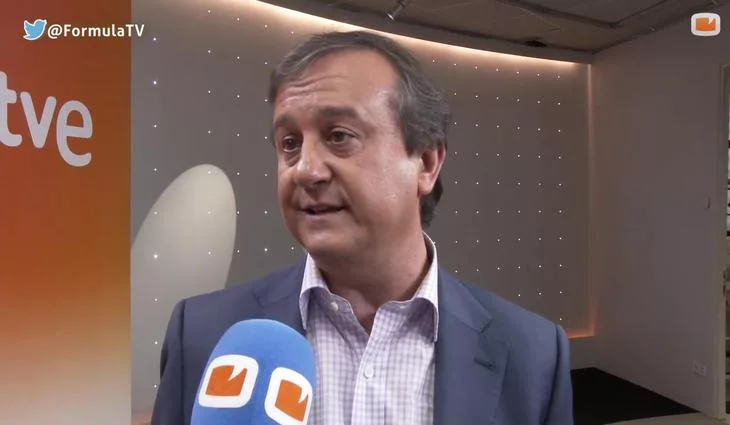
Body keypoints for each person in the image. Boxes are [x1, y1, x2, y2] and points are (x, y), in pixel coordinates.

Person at [150, 30, 573, 425]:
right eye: (290, 143)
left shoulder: (533, 356)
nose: (305, 170)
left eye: (339, 136)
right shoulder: (201, 335)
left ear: (426, 163)